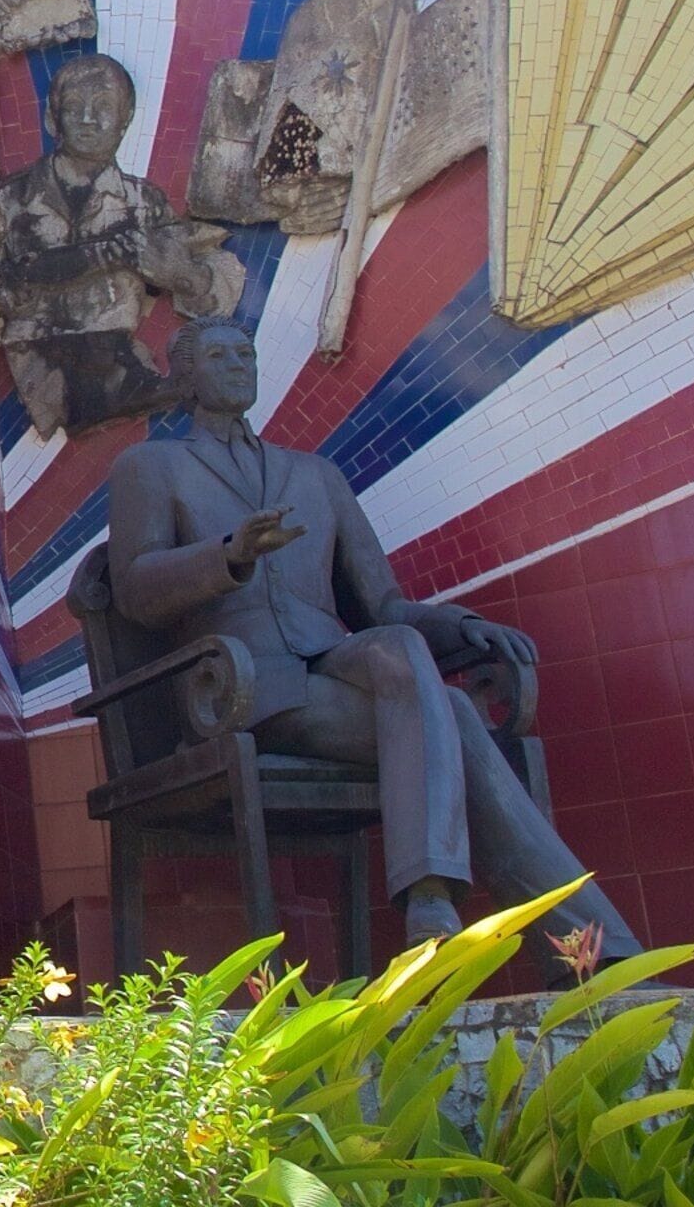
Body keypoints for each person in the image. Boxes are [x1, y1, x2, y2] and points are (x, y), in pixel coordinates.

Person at [103, 317, 639, 953]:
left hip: (331, 666)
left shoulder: (315, 475)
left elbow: (382, 605)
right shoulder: (152, 466)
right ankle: (585, 950)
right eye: (220, 356)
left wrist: (465, 626)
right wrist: (228, 555)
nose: (239, 364)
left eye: (247, 353)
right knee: (456, 715)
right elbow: (134, 591)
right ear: (186, 377)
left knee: (404, 649)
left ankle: (437, 903)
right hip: (240, 688)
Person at [0, 54, 242, 434]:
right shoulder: (8, 201)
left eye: (104, 106)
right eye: (75, 106)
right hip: (42, 367)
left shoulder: (144, 203)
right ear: (52, 118)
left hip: (118, 364)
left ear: (126, 119)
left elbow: (213, 278)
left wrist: (184, 275)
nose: (88, 118)